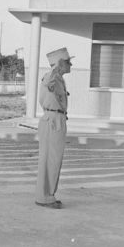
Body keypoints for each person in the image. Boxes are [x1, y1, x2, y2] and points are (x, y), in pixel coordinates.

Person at [35, 47, 73, 209]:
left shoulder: (58, 78)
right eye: (68, 62)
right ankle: (44, 197)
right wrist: (56, 67)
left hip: (57, 119)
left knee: (54, 160)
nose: (71, 65)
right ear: (60, 64)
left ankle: (49, 194)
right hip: (52, 121)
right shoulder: (51, 76)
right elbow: (50, 82)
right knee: (49, 160)